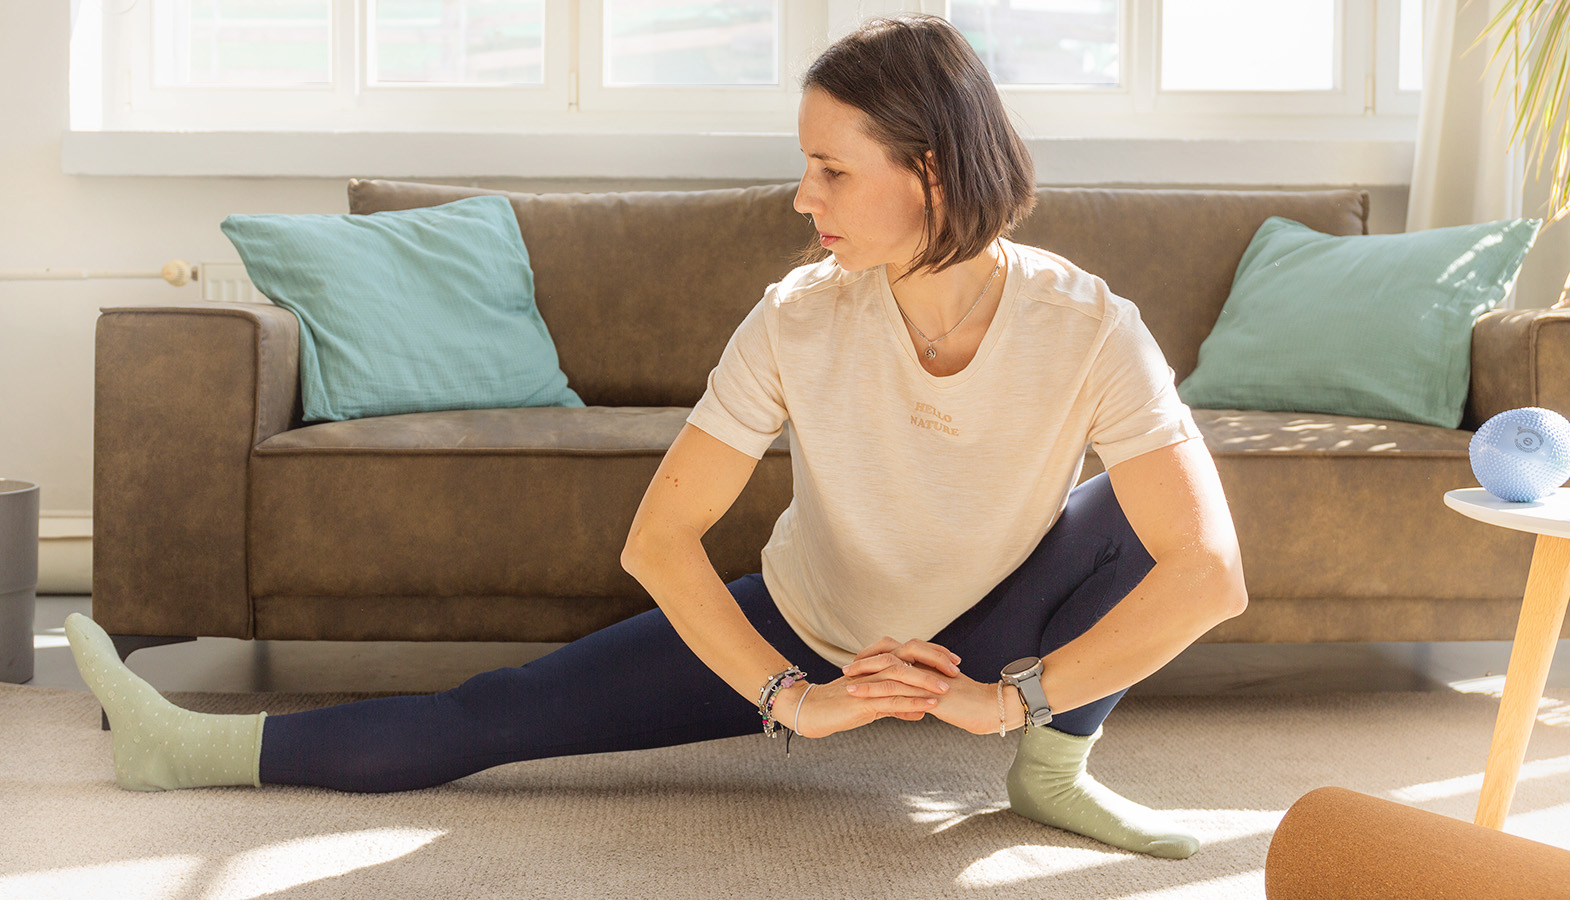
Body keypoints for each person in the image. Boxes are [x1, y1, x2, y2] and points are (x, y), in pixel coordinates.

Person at [63, 14, 1247, 861]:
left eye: (830, 170)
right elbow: (660, 540)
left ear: (929, 172)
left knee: (1132, 519)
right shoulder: (798, 315)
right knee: (498, 711)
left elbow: (1210, 574)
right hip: (807, 623)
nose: (803, 198)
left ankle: (1051, 771)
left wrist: (1008, 704)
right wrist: (790, 696)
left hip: (996, 624)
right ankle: (190, 749)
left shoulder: (1087, 324)